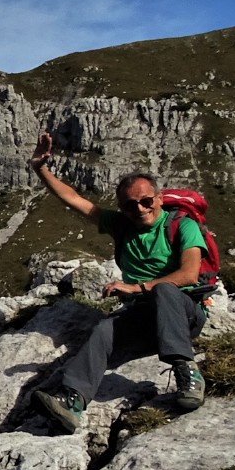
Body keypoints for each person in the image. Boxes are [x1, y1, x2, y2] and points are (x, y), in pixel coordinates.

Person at [26, 132, 207, 432]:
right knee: (104, 328)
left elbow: (189, 274)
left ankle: (187, 372)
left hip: (184, 312)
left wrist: (136, 287)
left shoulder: (181, 225)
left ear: (159, 199)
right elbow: (73, 199)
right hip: (144, 316)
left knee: (163, 289)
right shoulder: (121, 226)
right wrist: (40, 167)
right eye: (129, 205)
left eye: (146, 201)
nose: (139, 209)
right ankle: (73, 403)